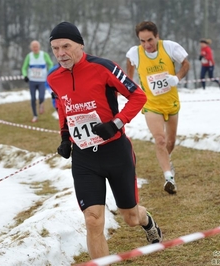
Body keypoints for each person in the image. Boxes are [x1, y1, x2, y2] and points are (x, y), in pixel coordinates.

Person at [47, 22, 163, 260]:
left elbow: (138, 96)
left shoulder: (104, 67)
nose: (60, 53)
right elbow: (63, 107)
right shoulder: (54, 78)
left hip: (115, 153)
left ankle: (147, 221)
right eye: (55, 48)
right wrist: (65, 137)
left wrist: (116, 123)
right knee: (92, 219)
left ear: (80, 44)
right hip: (84, 157)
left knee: (130, 217)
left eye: (66, 46)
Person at [126, 21, 190, 195]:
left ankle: (167, 163)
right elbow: (130, 65)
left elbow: (186, 64)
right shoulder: (135, 53)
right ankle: (169, 177)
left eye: (150, 40)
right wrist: (130, 85)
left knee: (170, 142)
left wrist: (177, 78)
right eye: (142, 41)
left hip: (171, 103)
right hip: (151, 104)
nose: (147, 45)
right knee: (160, 140)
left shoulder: (169, 48)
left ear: (157, 37)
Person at [21, 40, 54, 122]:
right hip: (32, 80)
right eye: (33, 47)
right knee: (33, 99)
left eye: (36, 47)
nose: (35, 48)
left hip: (42, 80)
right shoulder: (29, 56)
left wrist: (49, 73)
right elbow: (24, 68)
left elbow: (50, 64)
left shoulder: (44, 55)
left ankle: (41, 104)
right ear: (31, 48)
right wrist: (25, 76)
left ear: (39, 47)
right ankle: (35, 115)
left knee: (41, 97)